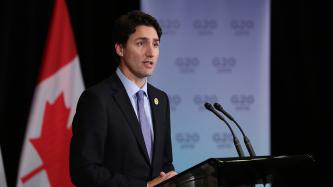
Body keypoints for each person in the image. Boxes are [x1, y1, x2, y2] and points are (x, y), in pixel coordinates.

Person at [69, 10, 177, 187]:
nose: (151, 52)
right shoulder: (97, 99)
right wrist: (145, 186)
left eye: (156, 44)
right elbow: (84, 170)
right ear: (120, 48)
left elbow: (165, 162)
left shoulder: (161, 99)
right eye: (141, 43)